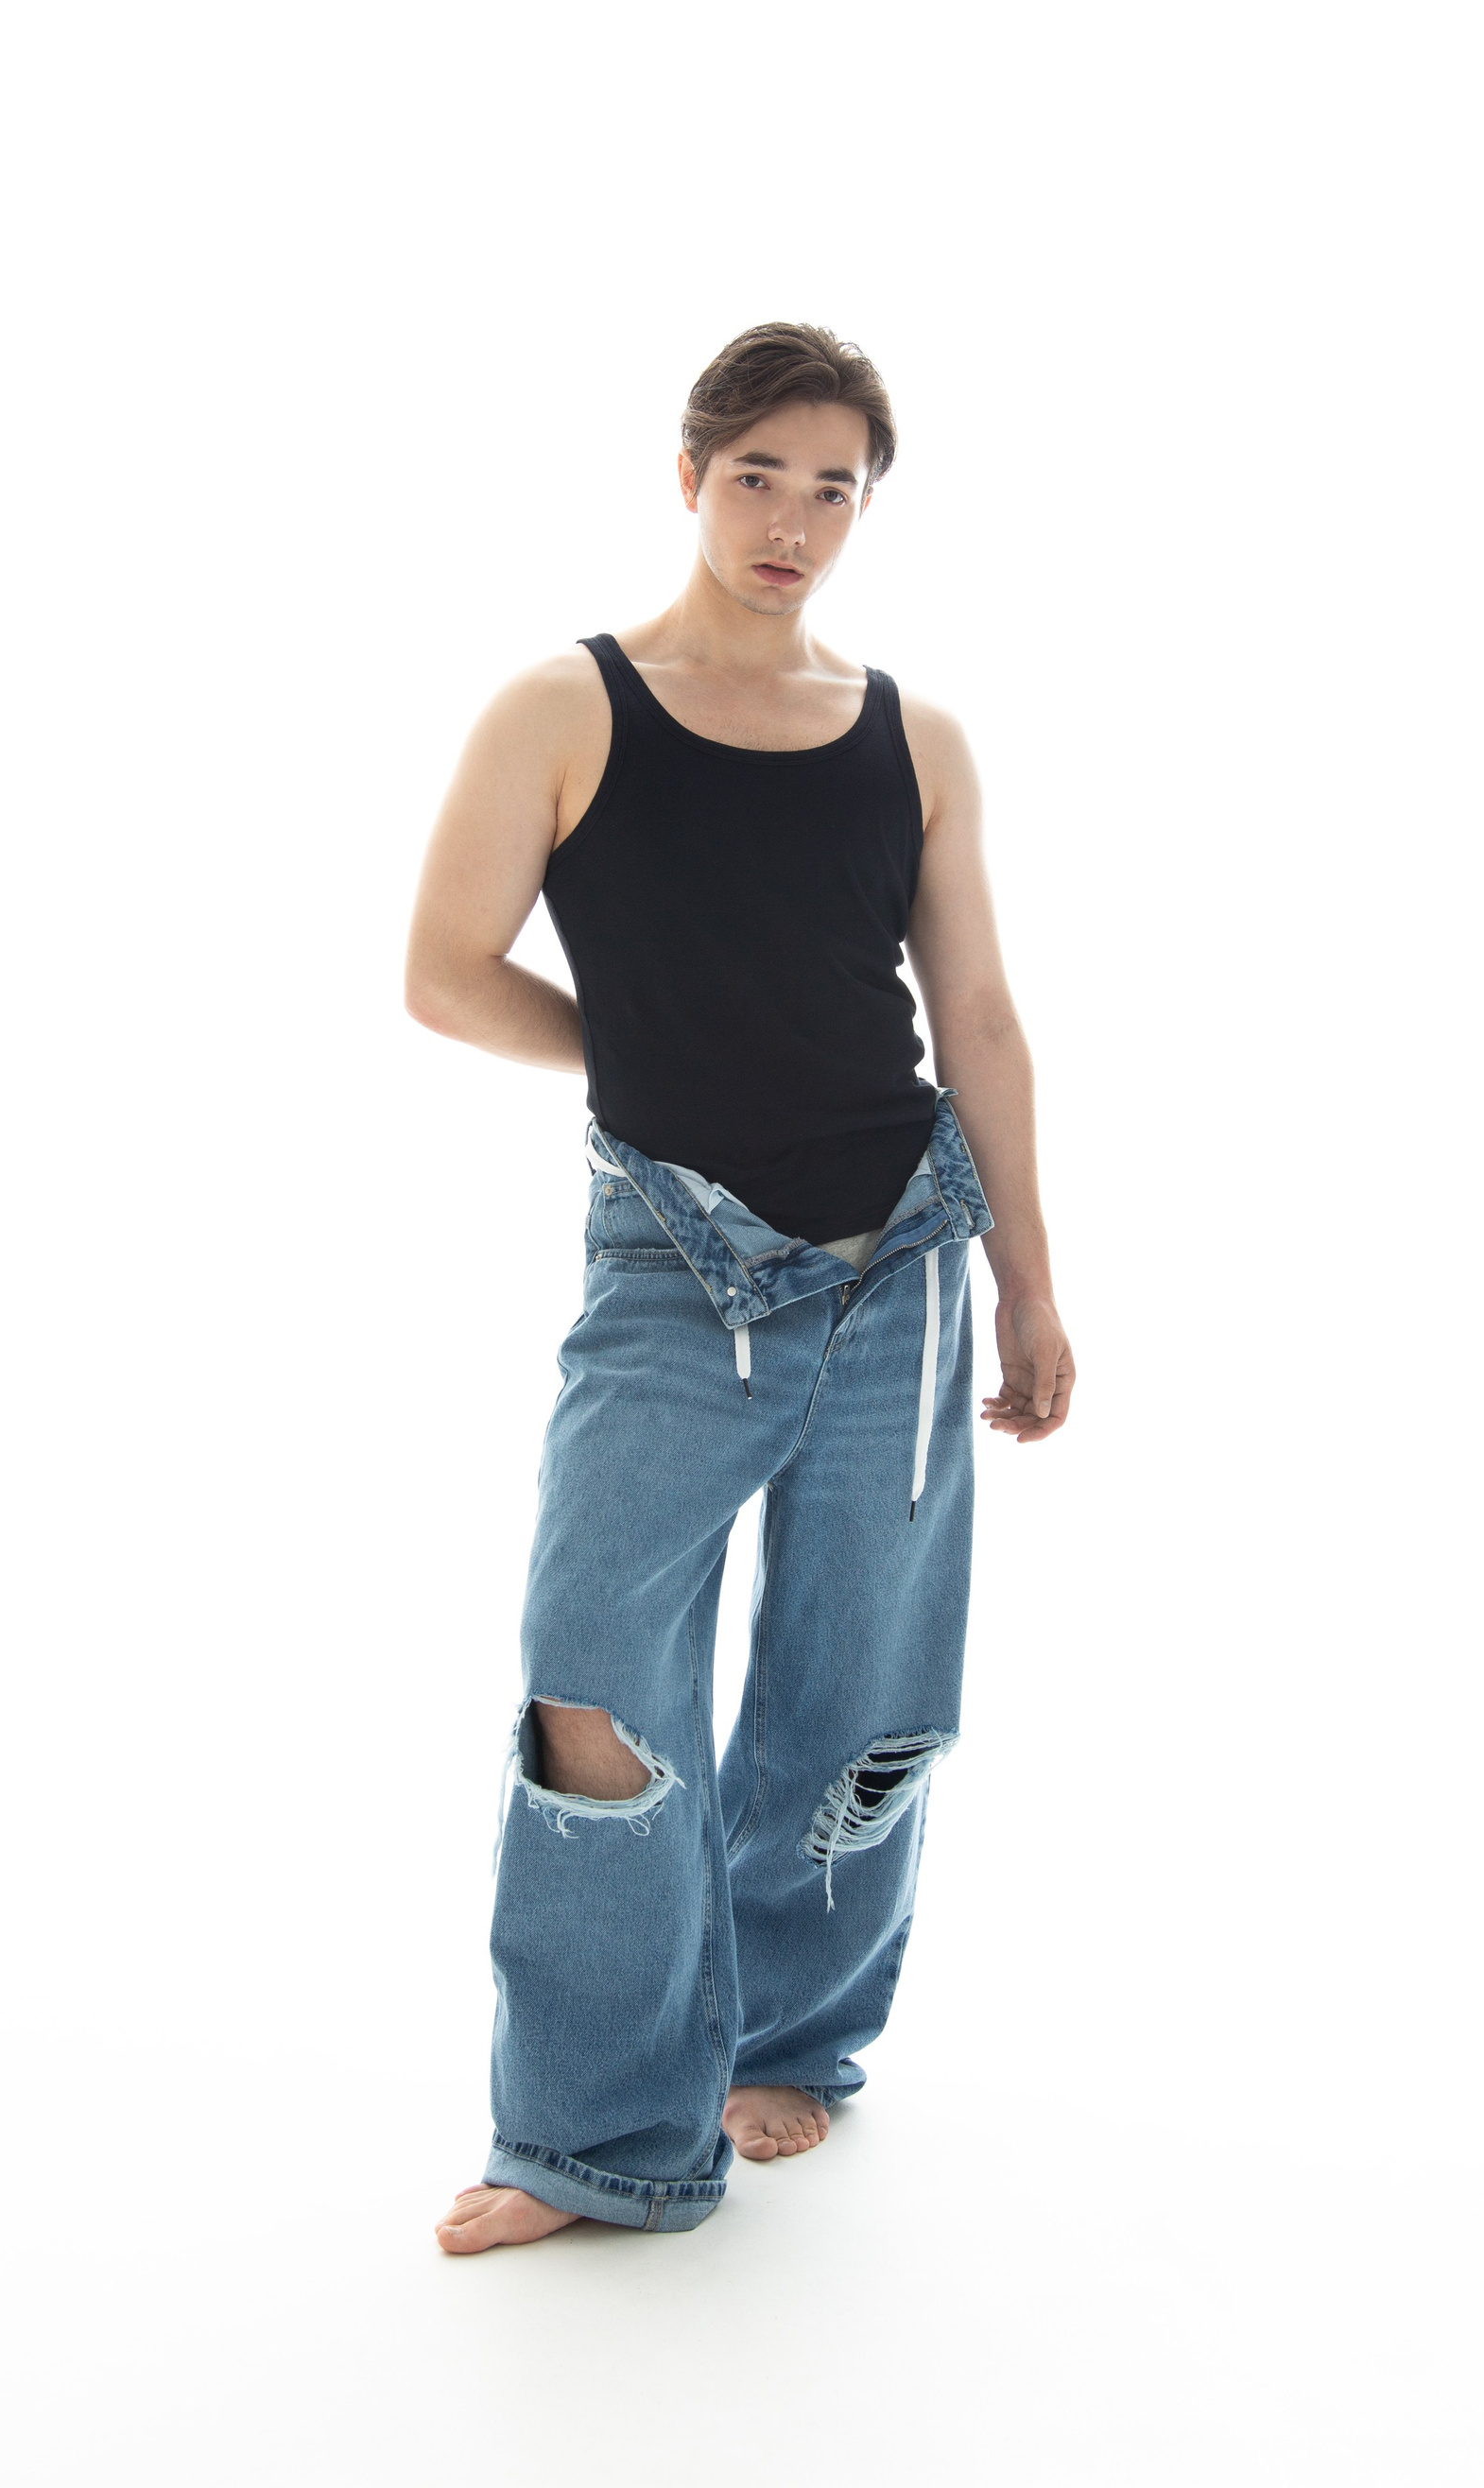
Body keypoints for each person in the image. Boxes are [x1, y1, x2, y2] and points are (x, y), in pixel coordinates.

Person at [405, 321, 1074, 2254]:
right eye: (760, 475)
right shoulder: (566, 706)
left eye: (833, 488)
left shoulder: (912, 738)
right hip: (675, 1266)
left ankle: (790, 2037)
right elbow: (444, 972)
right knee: (593, 1681)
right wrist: (636, 1051)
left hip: (903, 1265)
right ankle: (599, 2133)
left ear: (867, 509)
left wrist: (1032, 1282)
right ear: (689, 476)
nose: (793, 519)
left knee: (857, 1695)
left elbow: (982, 1018)